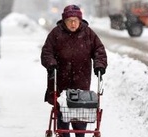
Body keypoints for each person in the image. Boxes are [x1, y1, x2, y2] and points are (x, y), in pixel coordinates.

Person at [41, 4, 108, 137]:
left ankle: (80, 134)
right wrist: (51, 64)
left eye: (75, 20)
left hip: (81, 80)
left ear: (80, 20)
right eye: (69, 20)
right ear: (64, 21)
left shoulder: (88, 33)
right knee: (62, 110)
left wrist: (99, 65)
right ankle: (63, 134)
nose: (72, 23)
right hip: (60, 80)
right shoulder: (56, 33)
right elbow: (46, 52)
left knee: (79, 111)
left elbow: (99, 50)